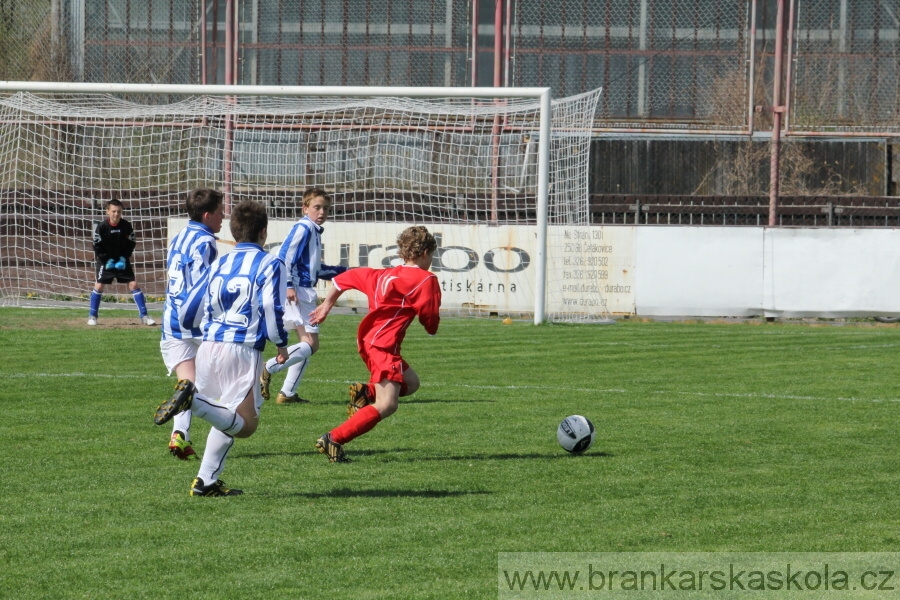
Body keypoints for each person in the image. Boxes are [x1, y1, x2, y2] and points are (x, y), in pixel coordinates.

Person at [154, 199, 290, 496]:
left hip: (209, 345)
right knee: (245, 425)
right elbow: (270, 305)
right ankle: (194, 402)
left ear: (235, 230)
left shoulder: (220, 262)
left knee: (225, 412)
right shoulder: (271, 262)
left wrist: (197, 328)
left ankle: (207, 481)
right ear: (263, 232)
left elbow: (191, 305)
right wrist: (281, 343)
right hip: (241, 349)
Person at [309, 225, 441, 463]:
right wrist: (431, 326)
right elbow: (430, 318)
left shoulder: (380, 274)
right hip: (383, 346)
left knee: (412, 382)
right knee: (387, 404)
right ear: (425, 254)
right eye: (431, 256)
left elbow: (341, 280)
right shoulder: (425, 279)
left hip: (369, 342)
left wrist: (327, 305)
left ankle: (365, 391)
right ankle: (333, 438)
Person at [259, 188, 346, 405]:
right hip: (298, 291)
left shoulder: (313, 230)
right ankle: (268, 367)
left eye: (326, 208)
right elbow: (284, 256)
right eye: (317, 207)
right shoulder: (304, 227)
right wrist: (288, 285)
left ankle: (287, 393)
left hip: (303, 289)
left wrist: (344, 272)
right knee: (311, 344)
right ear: (305, 208)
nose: (322, 211)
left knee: (305, 343)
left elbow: (315, 269)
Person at [159, 188, 225, 461]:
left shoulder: (178, 239)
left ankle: (180, 435)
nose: (224, 217)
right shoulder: (205, 243)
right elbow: (203, 286)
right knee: (226, 389)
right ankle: (217, 451)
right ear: (208, 215)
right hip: (197, 322)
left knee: (187, 385)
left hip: (172, 322)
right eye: (221, 212)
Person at [87, 199, 155, 326]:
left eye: (119, 211)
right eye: (113, 211)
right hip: (105, 262)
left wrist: (124, 258)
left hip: (122, 261)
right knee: (99, 286)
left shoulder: (126, 226)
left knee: (133, 285)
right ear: (107, 211)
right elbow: (96, 246)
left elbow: (131, 243)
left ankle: (144, 316)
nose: (116, 214)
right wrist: (108, 260)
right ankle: (92, 316)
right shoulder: (101, 227)